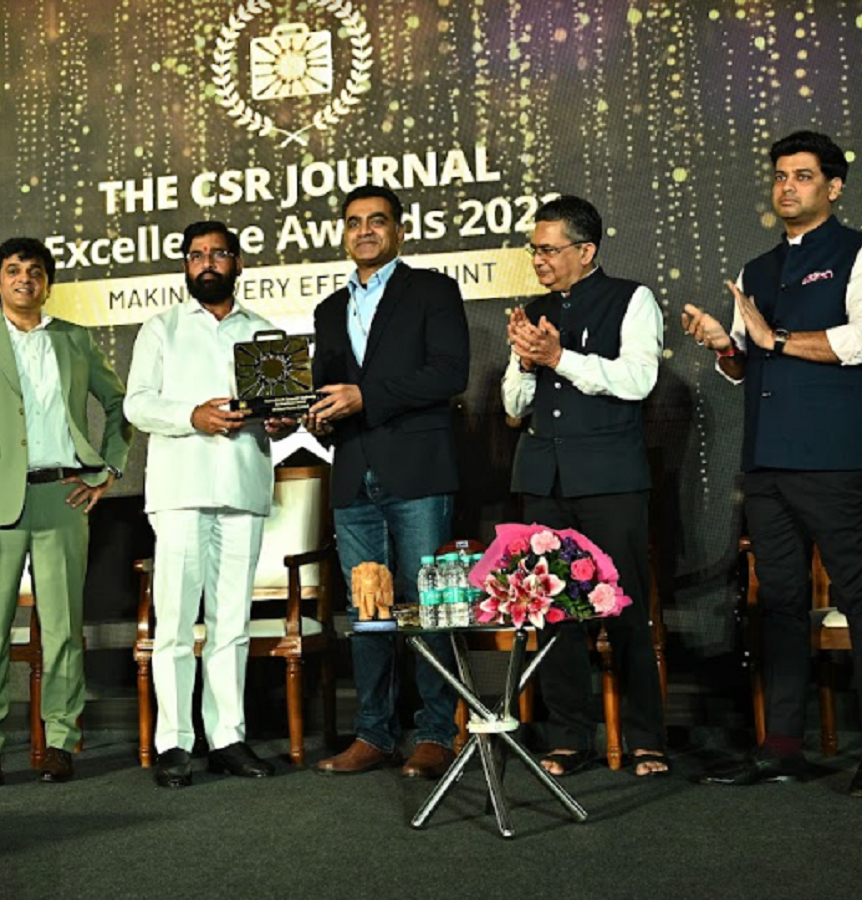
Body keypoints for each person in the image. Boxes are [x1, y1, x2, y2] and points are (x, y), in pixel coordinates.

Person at [683, 129, 862, 798]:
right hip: (766, 461)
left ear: (833, 186)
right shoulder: (756, 269)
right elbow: (744, 365)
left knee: (859, 594)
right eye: (780, 176)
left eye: (802, 176)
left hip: (833, 458)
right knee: (778, 603)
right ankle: (781, 747)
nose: (787, 187)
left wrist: (771, 336)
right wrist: (724, 346)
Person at [0, 237, 131, 787]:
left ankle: (61, 740)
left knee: (63, 628)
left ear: (48, 284)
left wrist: (107, 470)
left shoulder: (74, 339)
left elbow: (120, 404)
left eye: (36, 270)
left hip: (61, 497)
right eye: (14, 270)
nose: (24, 278)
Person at [124, 221, 299, 788]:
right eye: (196, 254)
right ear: (185, 266)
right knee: (176, 622)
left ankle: (227, 737)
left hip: (243, 487)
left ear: (237, 263)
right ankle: (175, 742)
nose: (207, 263)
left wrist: (282, 420)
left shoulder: (265, 332)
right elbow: (136, 405)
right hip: (180, 491)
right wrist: (192, 416)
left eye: (218, 253)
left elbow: (282, 409)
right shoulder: (162, 328)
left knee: (232, 623)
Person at [306, 185, 470, 780]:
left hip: (418, 470)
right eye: (354, 222)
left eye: (377, 221)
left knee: (429, 604)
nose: (365, 231)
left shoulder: (432, 290)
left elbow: (449, 374)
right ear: (343, 233)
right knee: (366, 609)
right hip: (353, 472)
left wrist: (365, 397)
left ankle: (435, 732)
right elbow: (327, 389)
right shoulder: (329, 309)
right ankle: (373, 733)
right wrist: (311, 414)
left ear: (400, 230)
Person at [502, 196, 669, 778]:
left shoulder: (632, 299)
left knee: (623, 609)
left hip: (610, 479)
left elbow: (638, 380)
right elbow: (512, 407)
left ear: (586, 250)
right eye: (535, 250)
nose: (539, 260)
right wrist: (527, 364)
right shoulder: (532, 311)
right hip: (543, 479)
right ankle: (570, 738)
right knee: (553, 612)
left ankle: (646, 738)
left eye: (549, 250)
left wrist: (559, 357)